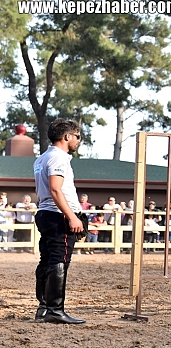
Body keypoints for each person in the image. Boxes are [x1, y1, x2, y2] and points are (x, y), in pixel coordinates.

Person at [33, 118, 86, 324]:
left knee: (47, 260)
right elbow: (55, 189)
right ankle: (55, 309)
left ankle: (44, 308)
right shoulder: (59, 158)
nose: (78, 141)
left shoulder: (42, 158)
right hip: (59, 214)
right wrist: (72, 216)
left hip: (46, 212)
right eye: (77, 136)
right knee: (59, 260)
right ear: (67, 137)